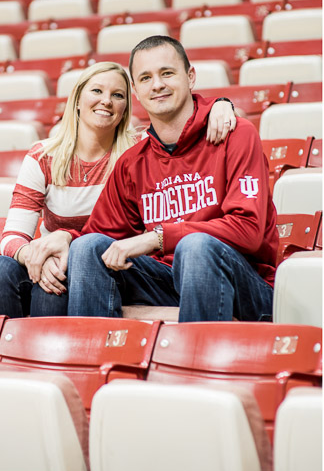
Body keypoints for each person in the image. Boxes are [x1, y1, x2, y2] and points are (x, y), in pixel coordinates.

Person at [29, 35, 278, 322]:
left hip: (245, 285)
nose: (157, 84)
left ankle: (195, 364)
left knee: (195, 247)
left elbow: (247, 230)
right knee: (88, 250)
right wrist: (65, 237)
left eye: (167, 73)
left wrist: (157, 238)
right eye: (145, 78)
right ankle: (94, 361)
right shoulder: (132, 163)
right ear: (135, 90)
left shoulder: (234, 134)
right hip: (166, 281)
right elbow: (97, 233)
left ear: (190, 77)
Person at [0, 61, 236, 317]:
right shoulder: (43, 156)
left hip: (107, 265)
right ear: (77, 99)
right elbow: (12, 237)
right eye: (97, 91)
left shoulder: (141, 148)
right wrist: (36, 257)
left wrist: (220, 105)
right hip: (52, 257)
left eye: (117, 95)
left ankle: (48, 360)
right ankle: (4, 357)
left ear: (125, 108)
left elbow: (183, 123)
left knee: (53, 290)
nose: (106, 101)